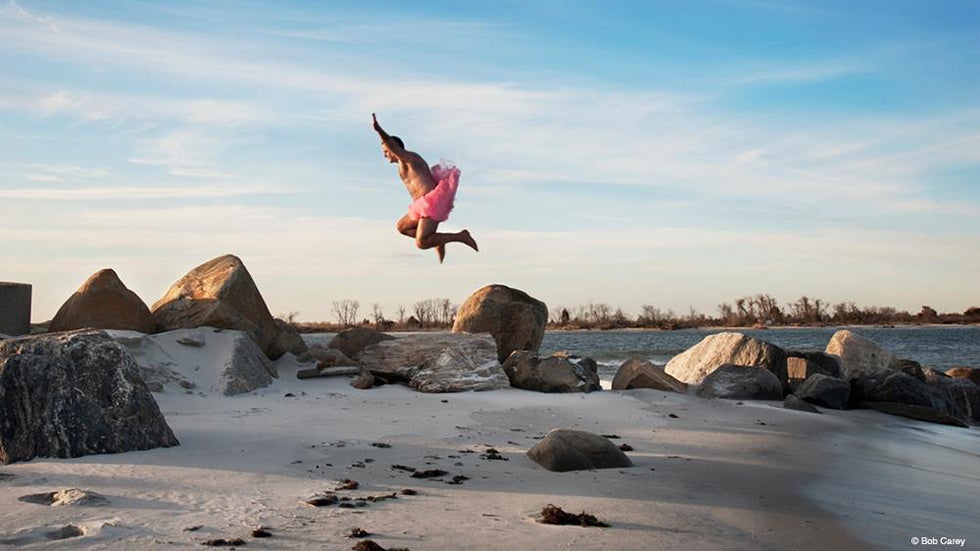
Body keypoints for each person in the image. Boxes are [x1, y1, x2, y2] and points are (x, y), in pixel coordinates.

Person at [372, 113, 478, 263]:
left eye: (386, 151)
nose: (385, 155)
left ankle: (460, 236)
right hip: (421, 205)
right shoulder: (401, 166)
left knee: (421, 243)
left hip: (433, 202)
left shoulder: (409, 159)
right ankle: (437, 240)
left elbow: (391, 144)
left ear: (394, 149)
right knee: (402, 227)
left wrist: (378, 130)